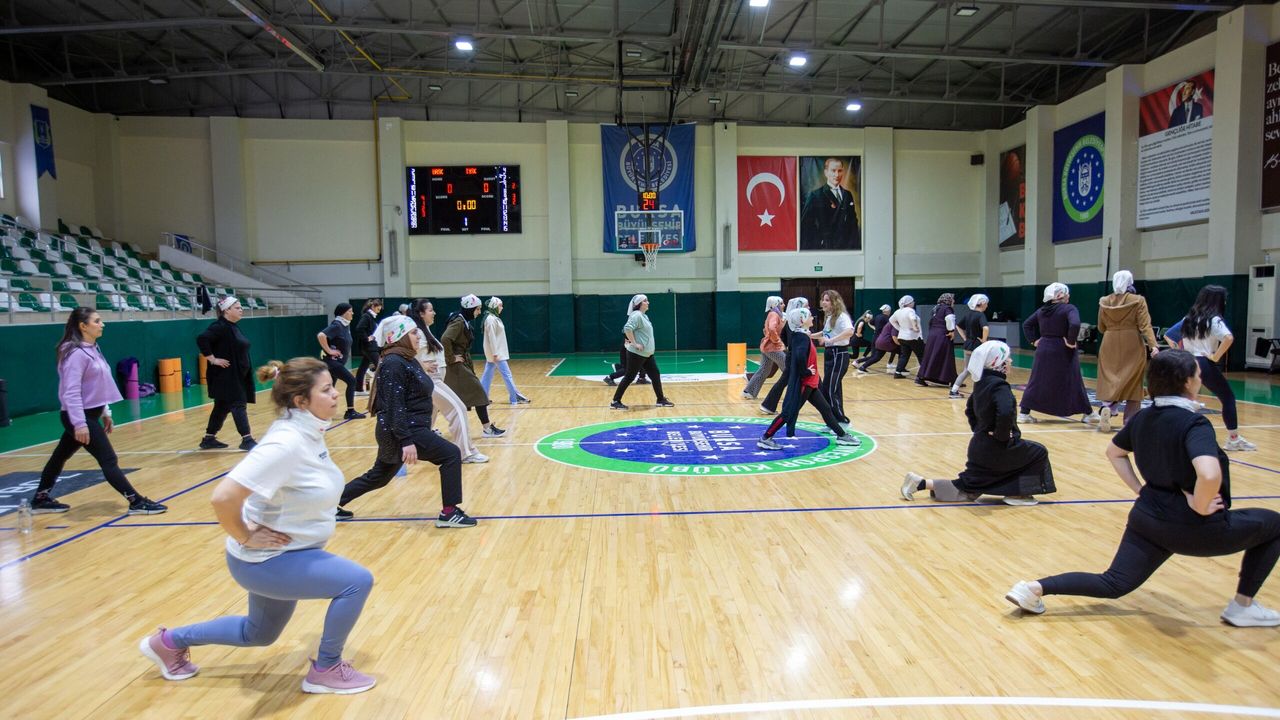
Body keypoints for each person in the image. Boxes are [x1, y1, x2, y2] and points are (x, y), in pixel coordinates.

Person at [139, 357, 377, 693]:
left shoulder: (308, 429)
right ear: (301, 401)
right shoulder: (286, 443)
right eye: (326, 390)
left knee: (258, 634)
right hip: (268, 561)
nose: (336, 393)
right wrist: (246, 536)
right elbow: (223, 497)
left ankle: (168, 642)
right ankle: (327, 668)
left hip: (284, 556)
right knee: (356, 582)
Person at [1005, 350, 1280, 627]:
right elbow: (1209, 474)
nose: (1201, 379)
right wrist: (1199, 503)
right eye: (1198, 375)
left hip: (1147, 519)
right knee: (1274, 525)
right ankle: (1243, 606)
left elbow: (1114, 452)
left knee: (1113, 582)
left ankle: (1033, 588)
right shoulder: (1194, 423)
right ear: (1187, 381)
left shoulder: (1142, 417)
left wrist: (1140, 490)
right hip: (1194, 528)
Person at [338, 316, 477, 527]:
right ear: (399, 336)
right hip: (405, 429)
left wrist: (423, 368)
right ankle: (449, 513)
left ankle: (330, 505)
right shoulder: (393, 363)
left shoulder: (406, 359)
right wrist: (406, 440)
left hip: (403, 427)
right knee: (450, 454)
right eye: (413, 333)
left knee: (379, 476)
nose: (418, 336)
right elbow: (394, 405)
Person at [29, 308, 166, 515]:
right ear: (83, 326)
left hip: (90, 414)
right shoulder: (75, 354)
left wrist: (105, 412)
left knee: (59, 456)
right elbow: (71, 392)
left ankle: (40, 499)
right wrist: (80, 424)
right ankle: (136, 502)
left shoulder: (92, 348)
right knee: (108, 459)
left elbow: (98, 386)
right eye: (97, 321)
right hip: (78, 416)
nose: (102, 324)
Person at [901, 341, 1054, 506]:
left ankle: (920, 483)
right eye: (1007, 359)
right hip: (997, 448)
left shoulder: (982, 383)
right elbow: (1005, 413)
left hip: (980, 445)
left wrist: (980, 431)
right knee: (1038, 452)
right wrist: (1002, 436)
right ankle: (1018, 494)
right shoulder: (999, 385)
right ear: (998, 363)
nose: (1010, 361)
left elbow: (969, 409)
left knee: (967, 488)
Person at [758, 306, 860, 450]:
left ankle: (842, 435)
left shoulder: (800, 335)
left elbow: (791, 357)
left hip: (810, 383)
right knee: (788, 412)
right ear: (802, 320)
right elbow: (799, 357)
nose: (812, 317)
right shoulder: (802, 337)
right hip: (804, 383)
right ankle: (766, 437)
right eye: (810, 316)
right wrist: (806, 372)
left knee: (825, 408)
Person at [410, 298, 488, 466]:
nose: (434, 313)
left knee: (427, 420)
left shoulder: (425, 330)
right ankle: (466, 453)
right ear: (421, 313)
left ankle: (411, 448)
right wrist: (421, 365)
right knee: (458, 409)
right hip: (430, 381)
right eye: (430, 310)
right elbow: (405, 354)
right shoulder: (417, 332)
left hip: (434, 379)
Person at [1179, 285, 1255, 451]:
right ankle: (1233, 439)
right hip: (1203, 362)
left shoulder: (1188, 318)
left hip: (1185, 361)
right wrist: (1216, 356)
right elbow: (1228, 338)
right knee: (1228, 397)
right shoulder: (1214, 320)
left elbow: (1173, 337)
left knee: (1184, 400)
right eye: (1224, 299)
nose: (1225, 302)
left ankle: (1178, 436)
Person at [1018, 283, 1099, 426]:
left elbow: (1027, 324)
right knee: (1074, 380)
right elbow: (1075, 324)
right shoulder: (1069, 308)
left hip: (1043, 348)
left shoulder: (1041, 310)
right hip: (1063, 349)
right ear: (1060, 295)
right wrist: (1071, 341)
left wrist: (1034, 341)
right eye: (1067, 293)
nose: (1068, 296)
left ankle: (1024, 413)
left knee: (1036, 380)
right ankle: (1088, 413)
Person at [1095, 271, 1158, 433]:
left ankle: (1108, 406)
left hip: (1109, 341)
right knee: (1133, 380)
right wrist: (1153, 346)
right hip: (1132, 342)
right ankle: (1130, 421)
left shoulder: (1104, 301)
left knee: (1110, 378)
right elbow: (1145, 325)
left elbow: (1101, 327)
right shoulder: (1138, 300)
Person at [197, 296, 258, 451]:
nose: (241, 310)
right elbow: (202, 339)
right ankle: (247, 439)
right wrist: (213, 359)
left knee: (222, 406)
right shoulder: (220, 326)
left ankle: (208, 439)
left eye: (241, 307)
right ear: (226, 310)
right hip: (226, 376)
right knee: (238, 403)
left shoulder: (233, 327)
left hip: (236, 375)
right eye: (237, 308)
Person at [441, 294, 506, 437]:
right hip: (457, 365)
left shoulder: (463, 320)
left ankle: (484, 428)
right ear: (470, 309)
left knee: (454, 399)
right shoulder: (458, 321)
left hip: (463, 363)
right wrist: (451, 358)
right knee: (479, 392)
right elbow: (445, 339)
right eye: (477, 309)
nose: (479, 312)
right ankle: (487, 429)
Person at [611, 294, 675, 410]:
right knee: (629, 377)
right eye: (645, 301)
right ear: (639, 304)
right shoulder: (636, 315)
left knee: (655, 375)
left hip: (647, 354)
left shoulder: (644, 316)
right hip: (637, 354)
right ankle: (615, 401)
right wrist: (634, 343)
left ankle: (660, 400)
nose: (648, 302)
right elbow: (627, 328)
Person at [758, 297, 810, 414]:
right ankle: (784, 409)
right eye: (806, 306)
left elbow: (784, 339)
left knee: (783, 380)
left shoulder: (789, 322)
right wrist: (778, 344)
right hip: (794, 358)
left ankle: (769, 405)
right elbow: (775, 332)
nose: (809, 308)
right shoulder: (794, 325)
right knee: (803, 383)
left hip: (791, 356)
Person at [317, 303, 367, 421]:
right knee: (352, 381)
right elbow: (321, 335)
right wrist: (329, 350)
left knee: (330, 387)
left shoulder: (345, 325)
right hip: (332, 362)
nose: (352, 313)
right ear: (343, 313)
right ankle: (350, 411)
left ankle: (320, 412)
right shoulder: (337, 325)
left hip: (337, 362)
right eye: (350, 311)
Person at [811, 289, 854, 425]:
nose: (823, 302)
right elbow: (824, 333)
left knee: (830, 389)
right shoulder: (830, 317)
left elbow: (849, 331)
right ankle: (835, 420)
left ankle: (840, 420)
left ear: (835, 302)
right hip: (830, 354)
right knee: (832, 388)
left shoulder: (842, 316)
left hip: (839, 354)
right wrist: (809, 336)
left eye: (827, 300)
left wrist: (831, 340)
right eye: (823, 299)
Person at [799, 157, 860, 250]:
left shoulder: (847, 194)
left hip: (847, 247)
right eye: (833, 171)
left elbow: (853, 223)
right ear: (826, 173)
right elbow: (806, 225)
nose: (837, 174)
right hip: (826, 247)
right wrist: (819, 242)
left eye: (840, 171)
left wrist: (853, 244)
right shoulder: (816, 195)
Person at [479, 296, 531, 405]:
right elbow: (492, 337)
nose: (502, 307)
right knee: (507, 375)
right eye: (500, 305)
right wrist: (495, 353)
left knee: (487, 374)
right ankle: (515, 397)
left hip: (495, 353)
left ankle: (481, 397)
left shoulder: (493, 318)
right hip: (497, 354)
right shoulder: (490, 319)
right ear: (494, 306)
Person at [743, 296, 786, 400]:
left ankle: (749, 391)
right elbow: (771, 329)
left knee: (764, 370)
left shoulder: (773, 314)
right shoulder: (774, 314)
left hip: (767, 347)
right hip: (773, 348)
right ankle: (797, 391)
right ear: (775, 305)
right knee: (788, 368)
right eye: (781, 303)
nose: (784, 305)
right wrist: (777, 341)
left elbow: (766, 329)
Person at [949, 294, 990, 398]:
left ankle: (954, 391)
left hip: (968, 345)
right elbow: (985, 328)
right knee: (983, 370)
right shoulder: (980, 315)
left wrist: (965, 338)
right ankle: (982, 393)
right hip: (977, 346)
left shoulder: (968, 314)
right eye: (986, 303)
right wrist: (984, 341)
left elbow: (958, 326)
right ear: (982, 303)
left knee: (967, 370)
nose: (987, 306)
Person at [916, 293, 959, 389]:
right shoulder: (947, 308)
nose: (954, 301)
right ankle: (951, 380)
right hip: (942, 335)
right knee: (946, 357)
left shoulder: (936, 308)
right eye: (953, 299)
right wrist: (951, 330)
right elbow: (949, 318)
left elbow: (931, 321)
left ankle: (922, 377)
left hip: (933, 335)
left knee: (931, 356)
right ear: (948, 300)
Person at [890, 295, 924, 380]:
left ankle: (897, 372)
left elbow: (891, 320)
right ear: (909, 303)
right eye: (912, 301)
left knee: (904, 356)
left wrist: (900, 328)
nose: (914, 303)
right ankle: (924, 374)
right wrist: (915, 327)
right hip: (913, 337)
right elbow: (912, 318)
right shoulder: (910, 310)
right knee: (921, 355)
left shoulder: (898, 311)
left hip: (902, 337)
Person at [353, 298, 382, 395]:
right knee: (380, 366)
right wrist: (366, 338)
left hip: (368, 347)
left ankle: (358, 389)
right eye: (378, 309)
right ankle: (382, 389)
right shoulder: (367, 316)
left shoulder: (370, 317)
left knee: (363, 367)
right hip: (369, 347)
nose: (379, 311)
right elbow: (359, 328)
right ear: (373, 306)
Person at [855, 304, 896, 373]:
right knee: (876, 356)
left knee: (874, 356)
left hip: (875, 337)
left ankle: (860, 364)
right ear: (888, 311)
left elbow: (870, 322)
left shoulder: (877, 316)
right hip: (882, 339)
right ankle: (892, 365)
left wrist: (875, 329)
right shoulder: (887, 319)